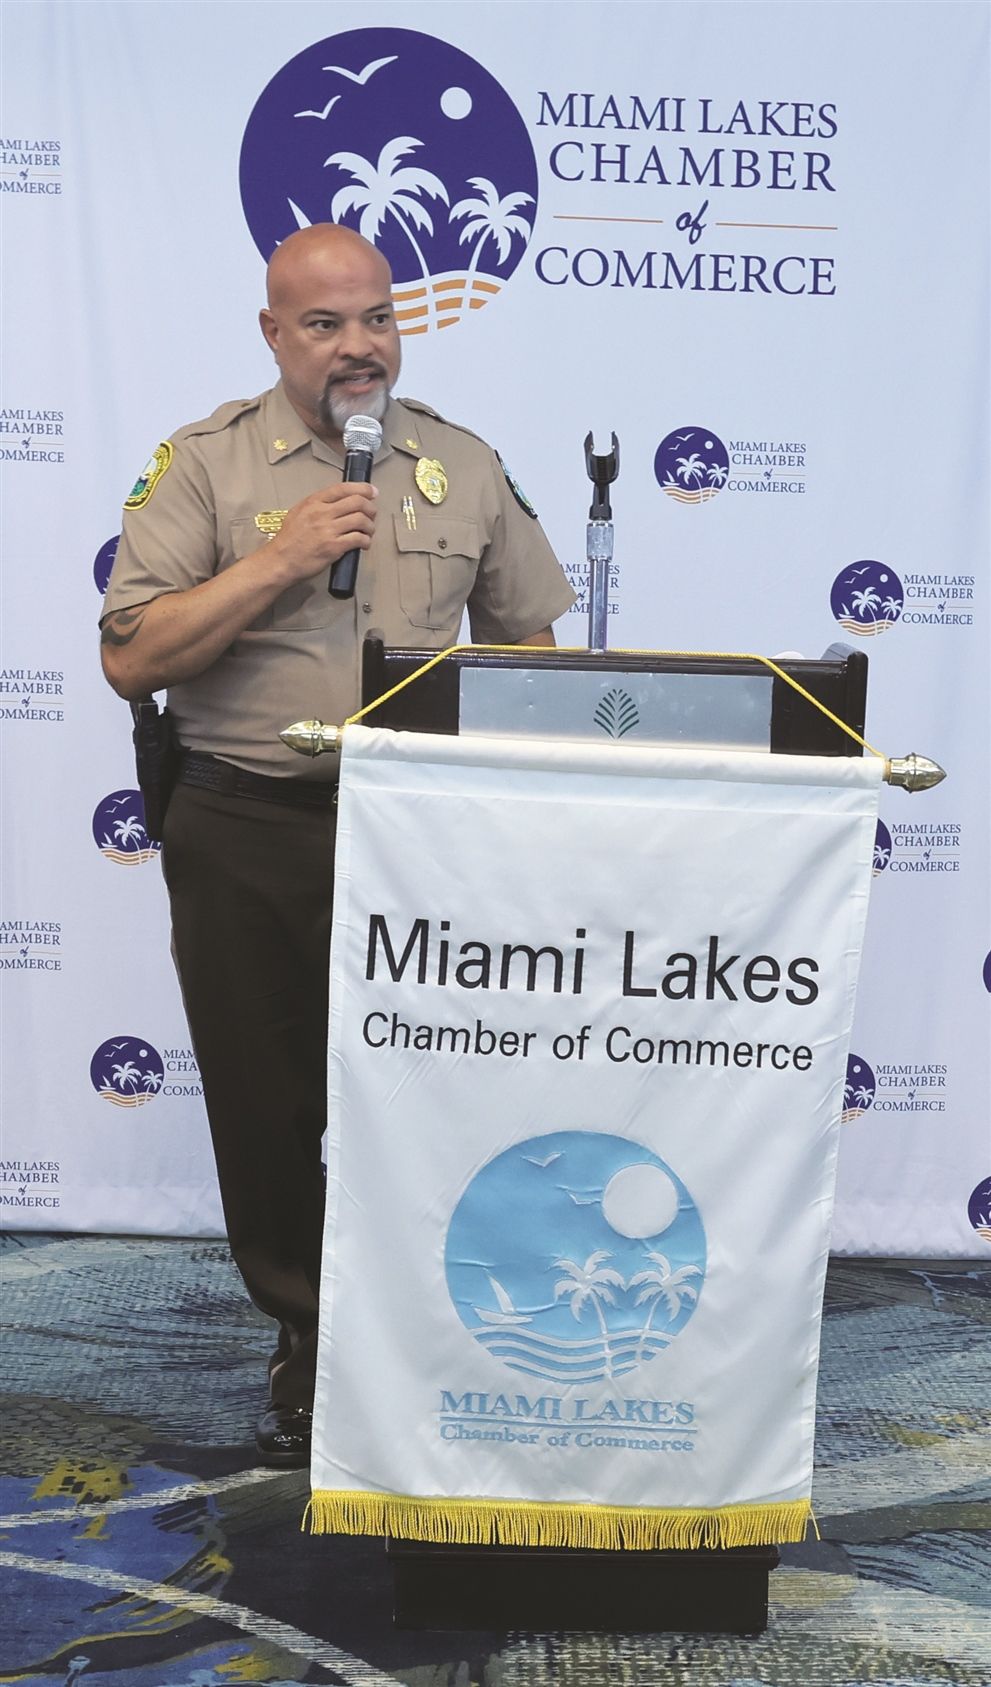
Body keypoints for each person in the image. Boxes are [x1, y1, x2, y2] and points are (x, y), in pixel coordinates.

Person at [100, 224, 575, 1467]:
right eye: (324, 325)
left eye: (377, 317)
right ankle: (312, 1339)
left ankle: (433, 1325)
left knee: (427, 1093)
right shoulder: (205, 464)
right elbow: (132, 657)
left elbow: (534, 648)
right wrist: (281, 557)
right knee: (267, 1105)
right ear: (274, 335)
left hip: (424, 836)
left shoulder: (461, 463)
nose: (357, 346)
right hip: (247, 825)